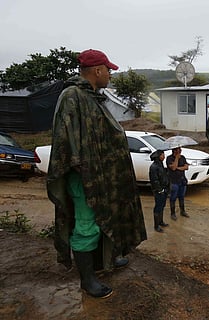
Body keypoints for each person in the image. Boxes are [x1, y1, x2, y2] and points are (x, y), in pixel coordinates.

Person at [47, 49, 147, 298]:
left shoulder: (92, 97)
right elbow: (65, 138)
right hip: (85, 178)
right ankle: (87, 280)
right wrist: (84, 172)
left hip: (102, 176)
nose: (111, 75)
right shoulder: (72, 96)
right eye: (109, 70)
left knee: (106, 217)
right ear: (97, 71)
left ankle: (105, 261)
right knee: (86, 225)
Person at [149, 149, 170, 232]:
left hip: (163, 189)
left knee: (162, 206)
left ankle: (160, 222)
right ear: (158, 156)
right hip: (159, 191)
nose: (164, 156)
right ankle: (156, 226)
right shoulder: (154, 167)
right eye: (162, 155)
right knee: (158, 207)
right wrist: (160, 190)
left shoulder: (160, 165)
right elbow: (154, 180)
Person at [167, 146, 190, 220]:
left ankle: (182, 211)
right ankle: (172, 213)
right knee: (173, 198)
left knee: (181, 197)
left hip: (182, 181)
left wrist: (178, 168)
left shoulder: (183, 157)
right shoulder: (169, 158)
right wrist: (176, 158)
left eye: (180, 149)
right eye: (178, 149)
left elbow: (186, 167)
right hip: (174, 181)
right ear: (174, 151)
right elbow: (173, 167)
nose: (180, 150)